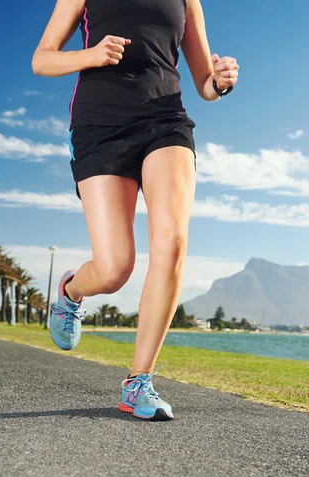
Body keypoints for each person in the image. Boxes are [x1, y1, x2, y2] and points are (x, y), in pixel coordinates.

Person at [32, 0, 239, 421]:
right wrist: (91, 55)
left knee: (173, 244)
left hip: (166, 119)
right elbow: (42, 60)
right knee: (114, 269)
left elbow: (203, 81)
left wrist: (219, 83)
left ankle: (138, 382)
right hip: (100, 126)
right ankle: (71, 290)